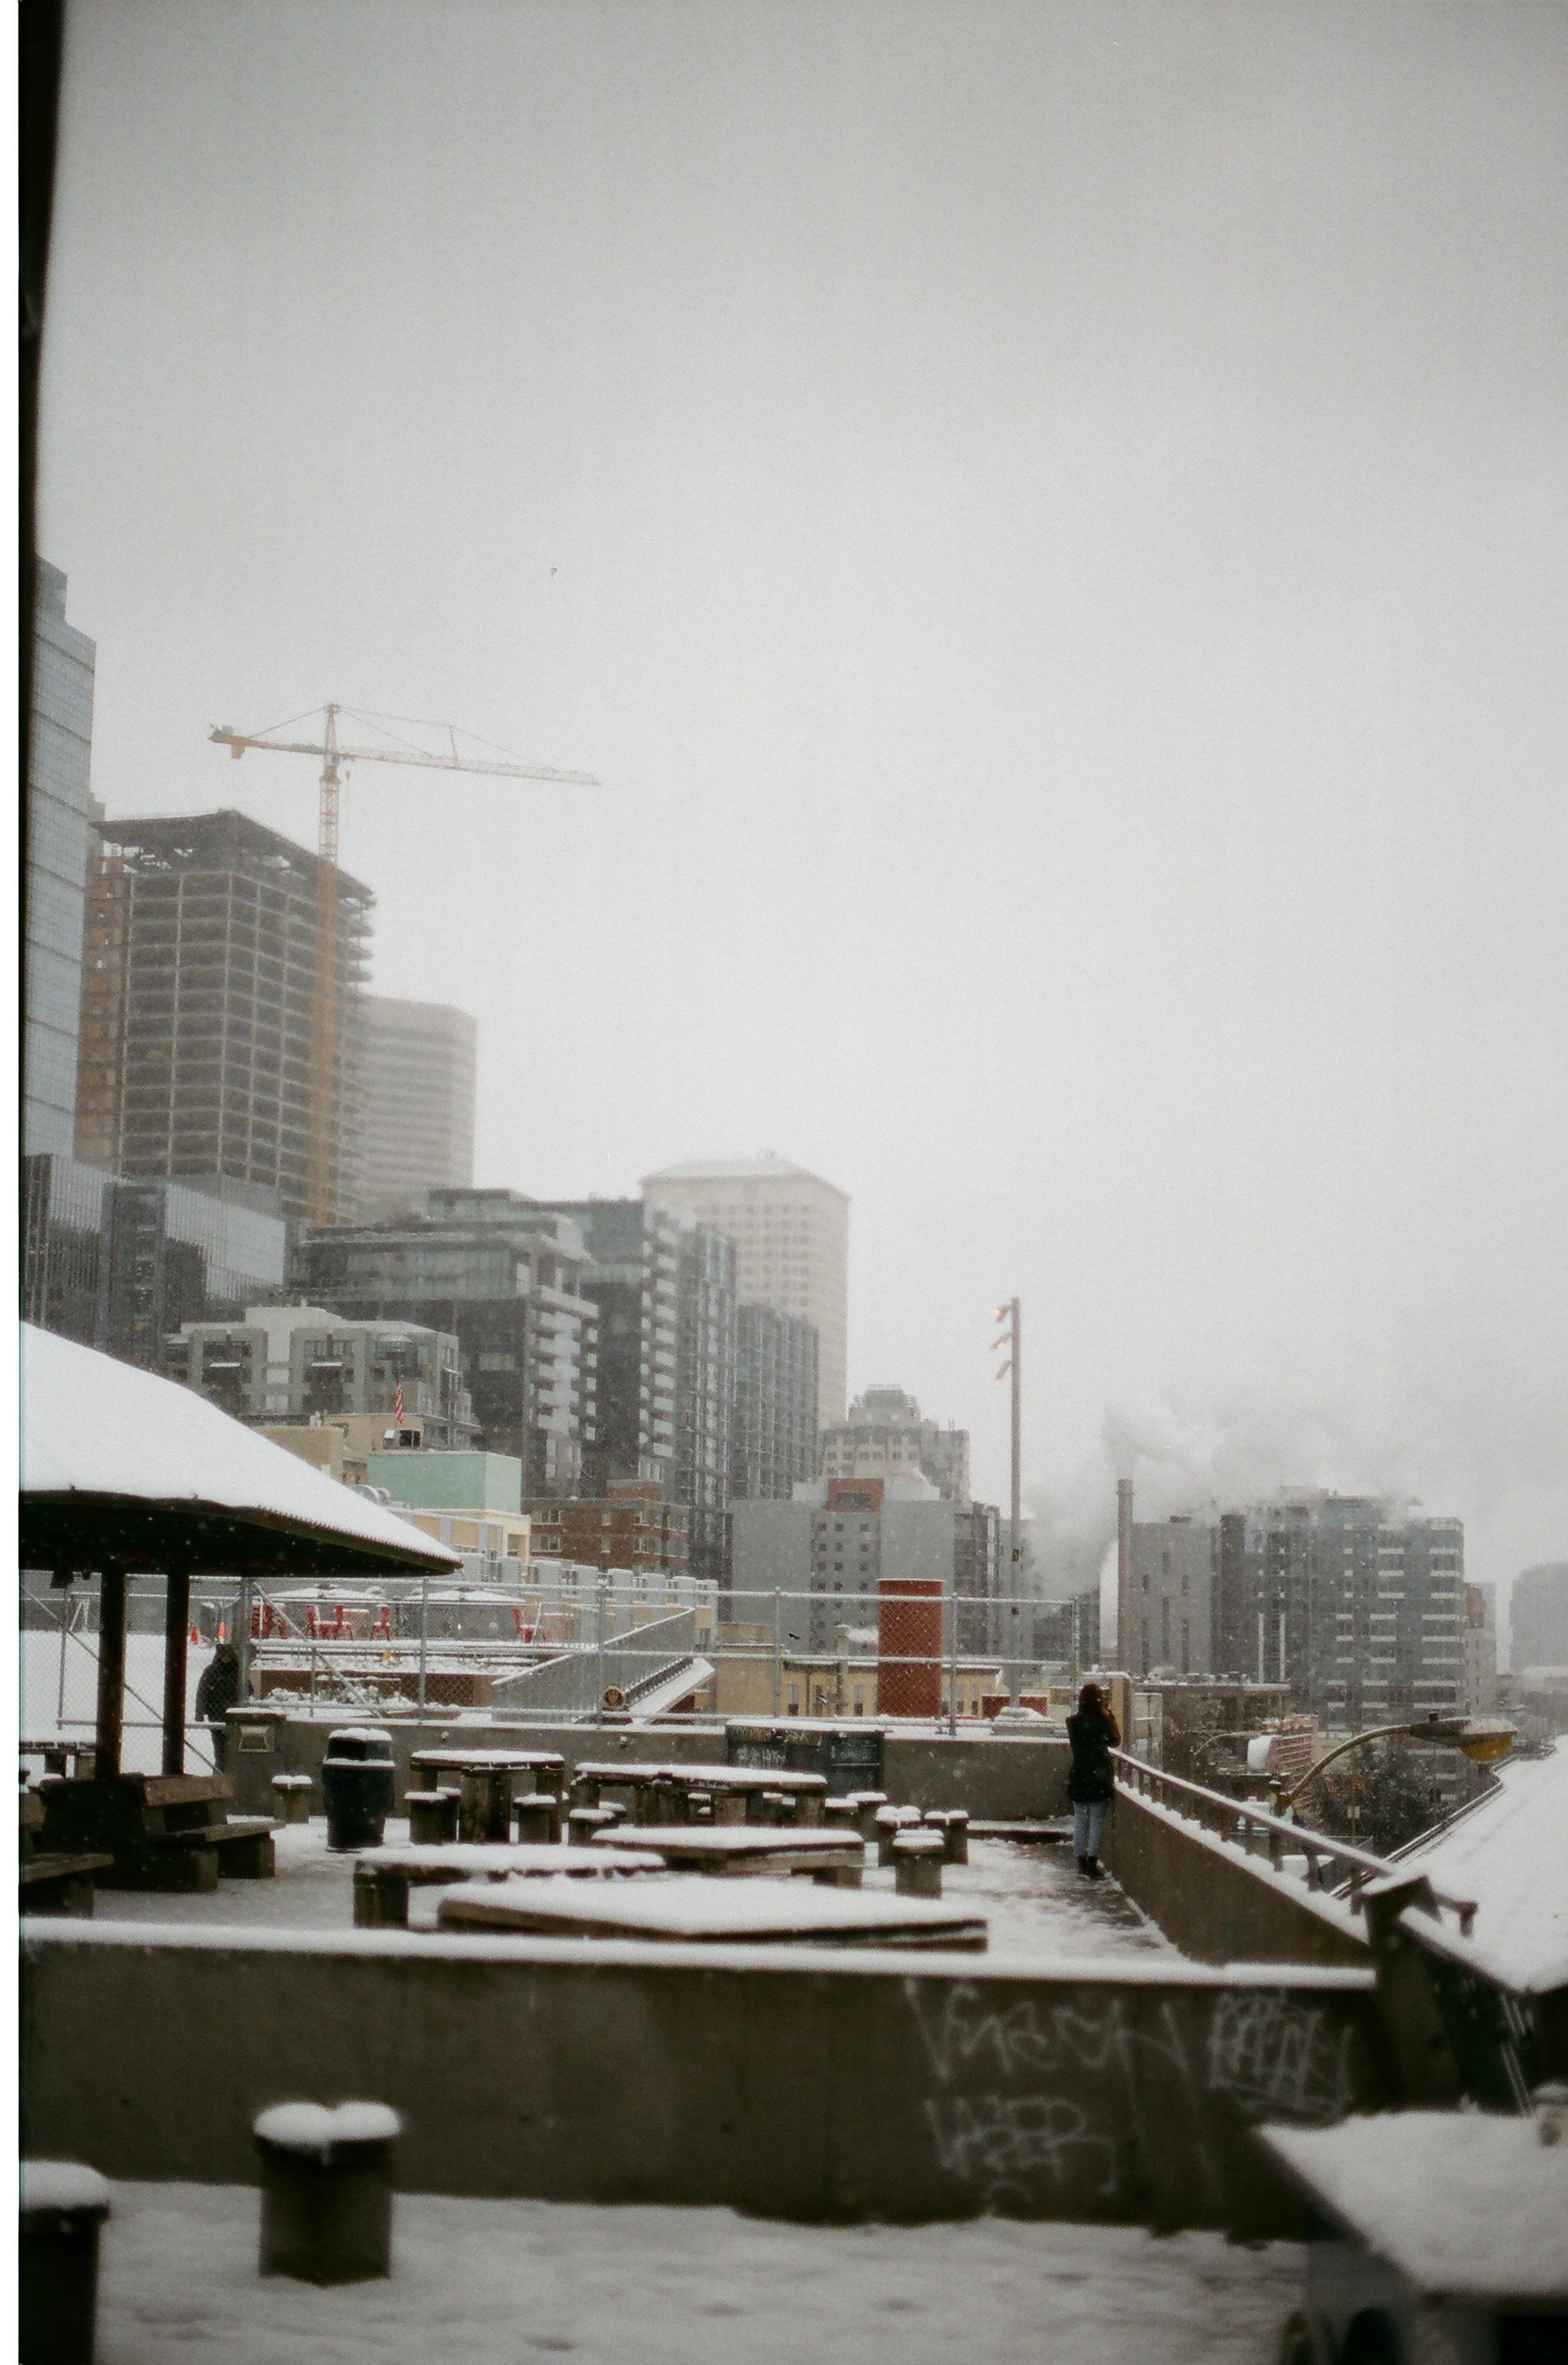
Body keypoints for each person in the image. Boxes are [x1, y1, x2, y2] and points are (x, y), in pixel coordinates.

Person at [1066, 1679, 1121, 1878]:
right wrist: (1109, 1716)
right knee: (1096, 1821)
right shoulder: (1104, 1721)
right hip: (1099, 1776)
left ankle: (1081, 1861)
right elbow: (1115, 1741)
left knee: (1080, 1820)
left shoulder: (1072, 1722)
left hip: (1079, 1774)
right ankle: (1092, 1862)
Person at [195, 1639, 241, 1770]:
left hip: (234, 1717)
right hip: (216, 1715)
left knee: (234, 1748)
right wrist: (199, 1713)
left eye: (228, 1658)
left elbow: (248, 1690)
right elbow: (202, 1692)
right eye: (223, 1658)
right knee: (220, 1748)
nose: (226, 1661)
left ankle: (229, 1770)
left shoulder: (238, 1673)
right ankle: (220, 1770)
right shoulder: (211, 1672)